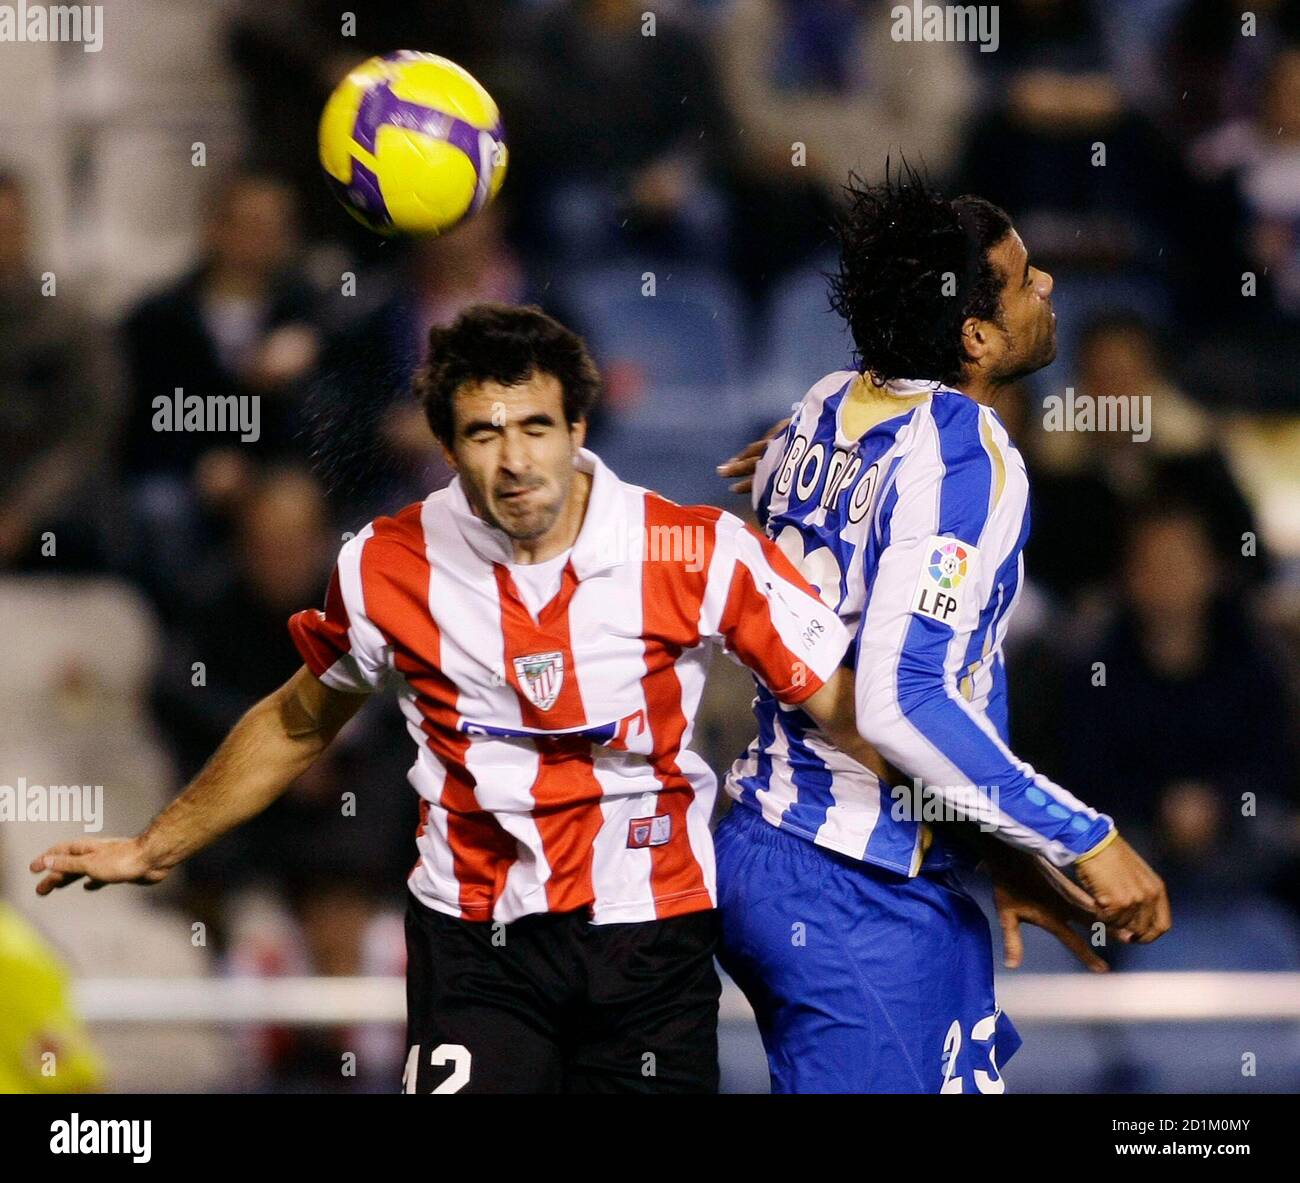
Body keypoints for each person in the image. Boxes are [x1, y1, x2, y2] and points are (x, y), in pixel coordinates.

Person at [29, 303, 882, 1094]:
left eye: (537, 427)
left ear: (578, 427)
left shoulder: (691, 549)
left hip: (650, 936)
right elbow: (297, 717)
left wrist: (977, 845)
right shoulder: (384, 566)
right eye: (484, 432)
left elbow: (847, 709)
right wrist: (154, 846)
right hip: (476, 940)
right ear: (446, 444)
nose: (515, 460)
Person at [715, 166, 1171, 1093]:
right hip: (850, 881)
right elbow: (902, 699)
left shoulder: (824, 403)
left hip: (818, 855)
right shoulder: (966, 451)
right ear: (974, 333)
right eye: (1024, 278)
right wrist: (1081, 837)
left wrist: (988, 845)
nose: (1047, 289)